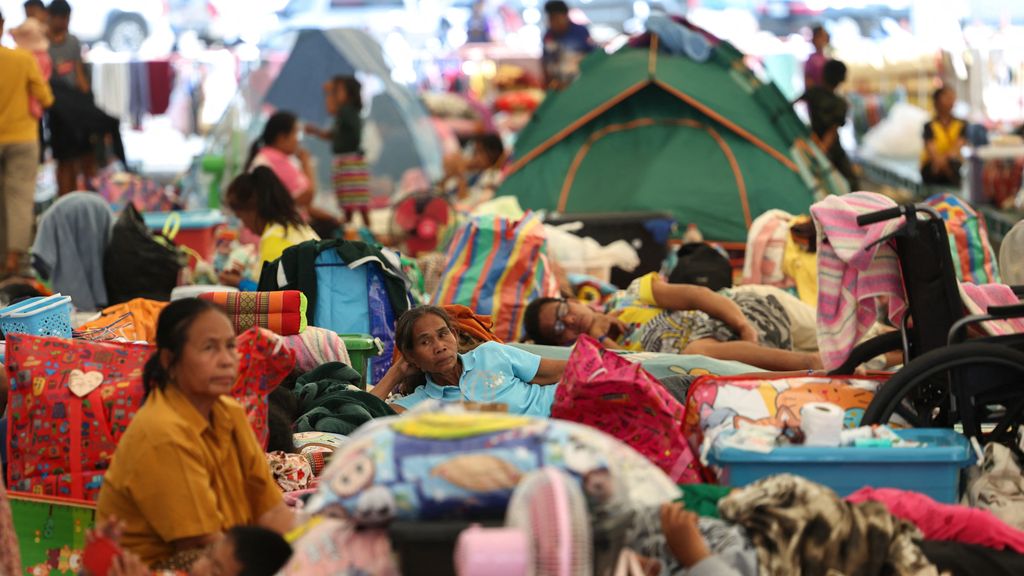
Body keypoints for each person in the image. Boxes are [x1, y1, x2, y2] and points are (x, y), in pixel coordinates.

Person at [96, 299, 294, 570]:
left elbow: (271, 509)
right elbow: (203, 549)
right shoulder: (162, 432)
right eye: (209, 348)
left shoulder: (229, 412)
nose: (226, 360)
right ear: (169, 360)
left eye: (230, 346)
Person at [523, 273, 823, 372]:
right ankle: (812, 363)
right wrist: (601, 340)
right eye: (560, 329)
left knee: (856, 336)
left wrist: (743, 325)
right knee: (698, 354)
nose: (571, 320)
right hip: (728, 354)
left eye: (563, 311)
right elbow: (630, 373)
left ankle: (813, 361)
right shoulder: (597, 357)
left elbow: (697, 295)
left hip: (749, 310)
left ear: (572, 300)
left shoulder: (630, 295)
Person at [370, 306, 567, 415]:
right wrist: (395, 374)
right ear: (411, 356)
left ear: (454, 335)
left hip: (566, 407)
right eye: (425, 341)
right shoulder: (419, 404)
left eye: (443, 334)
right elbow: (362, 420)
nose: (439, 346)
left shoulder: (490, 353)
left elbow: (564, 371)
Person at [0, 7, 54, 278]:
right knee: (19, 198)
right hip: (22, 137)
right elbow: (46, 97)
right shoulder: (23, 59)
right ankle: (14, 260)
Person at [221, 166, 319, 286]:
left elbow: (268, 297)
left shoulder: (275, 237)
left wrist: (240, 282)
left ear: (253, 208)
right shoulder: (298, 227)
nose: (246, 227)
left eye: (241, 218)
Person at [246, 110, 336, 227]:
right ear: (282, 137)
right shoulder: (274, 159)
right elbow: (308, 195)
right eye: (296, 133)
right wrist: (306, 162)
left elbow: (296, 203)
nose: (298, 140)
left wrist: (332, 218)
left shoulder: (266, 156)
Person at [306, 76, 370, 229]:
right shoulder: (346, 113)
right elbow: (332, 135)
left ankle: (363, 226)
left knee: (355, 198)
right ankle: (351, 225)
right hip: (345, 160)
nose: (334, 94)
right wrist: (316, 131)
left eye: (338, 91)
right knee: (349, 197)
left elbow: (331, 109)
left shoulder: (347, 111)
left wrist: (329, 92)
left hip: (350, 161)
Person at [47, 0, 95, 195]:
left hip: (76, 107)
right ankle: (64, 201)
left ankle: (83, 199)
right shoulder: (43, 44)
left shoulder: (73, 41)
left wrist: (87, 100)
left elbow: (79, 75)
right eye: (63, 18)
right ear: (52, 18)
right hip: (57, 109)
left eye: (68, 18)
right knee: (64, 161)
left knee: (84, 158)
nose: (66, 22)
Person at [801, 59, 858, 190]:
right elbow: (831, 132)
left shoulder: (813, 92)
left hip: (812, 142)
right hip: (832, 149)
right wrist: (821, 151)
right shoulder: (840, 103)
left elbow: (791, 106)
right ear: (841, 79)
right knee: (851, 183)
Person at [442, 132, 505, 210]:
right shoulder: (473, 172)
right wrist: (451, 172)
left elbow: (465, 203)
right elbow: (445, 189)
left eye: (479, 152)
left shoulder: (492, 175)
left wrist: (460, 175)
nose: (475, 157)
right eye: (475, 152)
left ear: (492, 155)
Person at [542, 0, 594, 90]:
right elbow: (545, 62)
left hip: (579, 84)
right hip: (557, 86)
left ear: (565, 15)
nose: (553, 22)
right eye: (550, 18)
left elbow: (592, 57)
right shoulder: (548, 36)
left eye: (556, 18)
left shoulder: (580, 32)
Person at [921, 86, 967, 187]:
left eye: (952, 97)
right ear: (937, 101)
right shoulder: (929, 126)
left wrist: (943, 164)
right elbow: (931, 150)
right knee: (931, 170)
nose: (951, 101)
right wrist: (940, 163)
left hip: (949, 165)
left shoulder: (961, 124)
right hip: (933, 166)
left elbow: (956, 148)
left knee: (954, 165)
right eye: (947, 97)